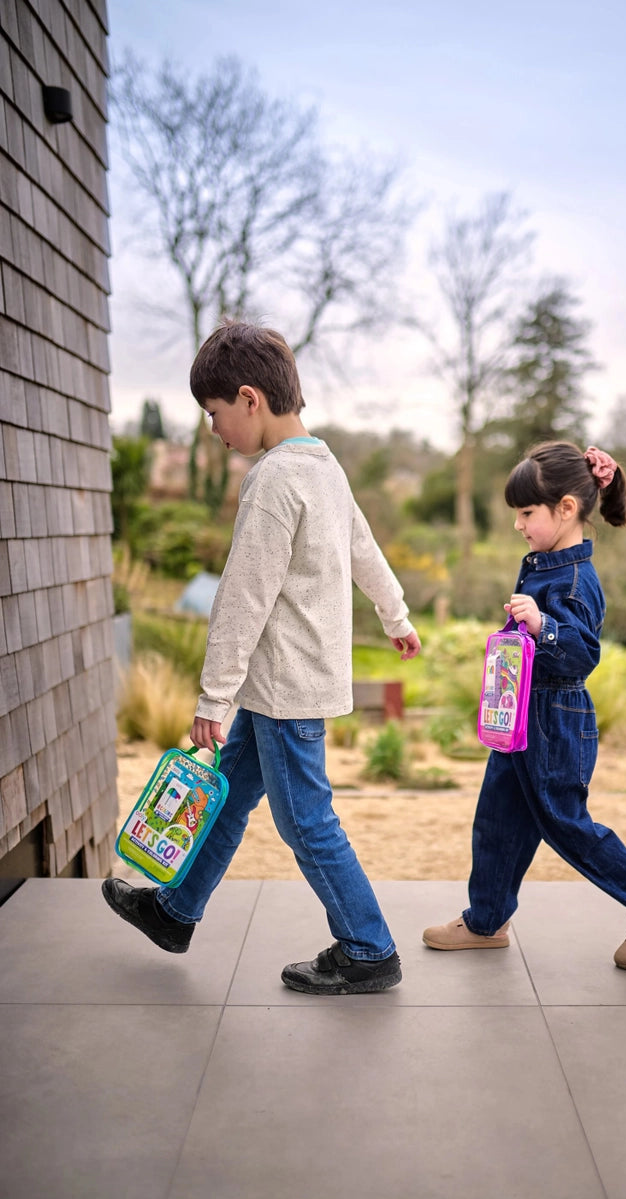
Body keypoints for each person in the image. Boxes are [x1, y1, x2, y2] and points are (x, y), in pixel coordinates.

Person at [103, 320, 421, 995]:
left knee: (306, 820)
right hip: (286, 683)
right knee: (228, 797)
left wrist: (212, 699)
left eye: (215, 414)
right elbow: (365, 544)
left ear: (250, 399)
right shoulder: (324, 466)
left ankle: (370, 946)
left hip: (285, 688)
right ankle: (175, 909)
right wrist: (395, 614)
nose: (214, 431)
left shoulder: (275, 480)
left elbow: (242, 598)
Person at [423, 442, 626, 969]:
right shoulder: (547, 566)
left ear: (566, 508)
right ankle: (485, 921)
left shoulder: (575, 578)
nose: (519, 525)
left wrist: (542, 625)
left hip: (555, 719)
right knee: (498, 818)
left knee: (566, 822)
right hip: (522, 714)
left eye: (527, 513)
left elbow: (582, 654)